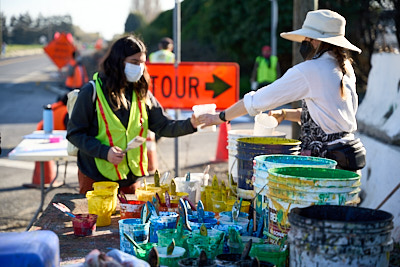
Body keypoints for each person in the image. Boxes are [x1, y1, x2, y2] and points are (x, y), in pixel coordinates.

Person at [198, 9, 364, 171]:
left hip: (325, 167)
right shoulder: (344, 67)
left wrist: (220, 117)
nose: (303, 42)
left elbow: (255, 102)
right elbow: (327, 117)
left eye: (306, 37)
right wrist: (284, 114)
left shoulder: (310, 70)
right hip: (348, 162)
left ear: (316, 40)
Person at [67, 35, 200, 194]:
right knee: (95, 219)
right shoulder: (91, 91)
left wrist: (192, 123)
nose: (140, 68)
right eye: (135, 62)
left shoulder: (142, 93)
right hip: (96, 179)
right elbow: (75, 133)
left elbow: (164, 126)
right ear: (118, 61)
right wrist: (105, 152)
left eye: (143, 63)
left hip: (129, 179)